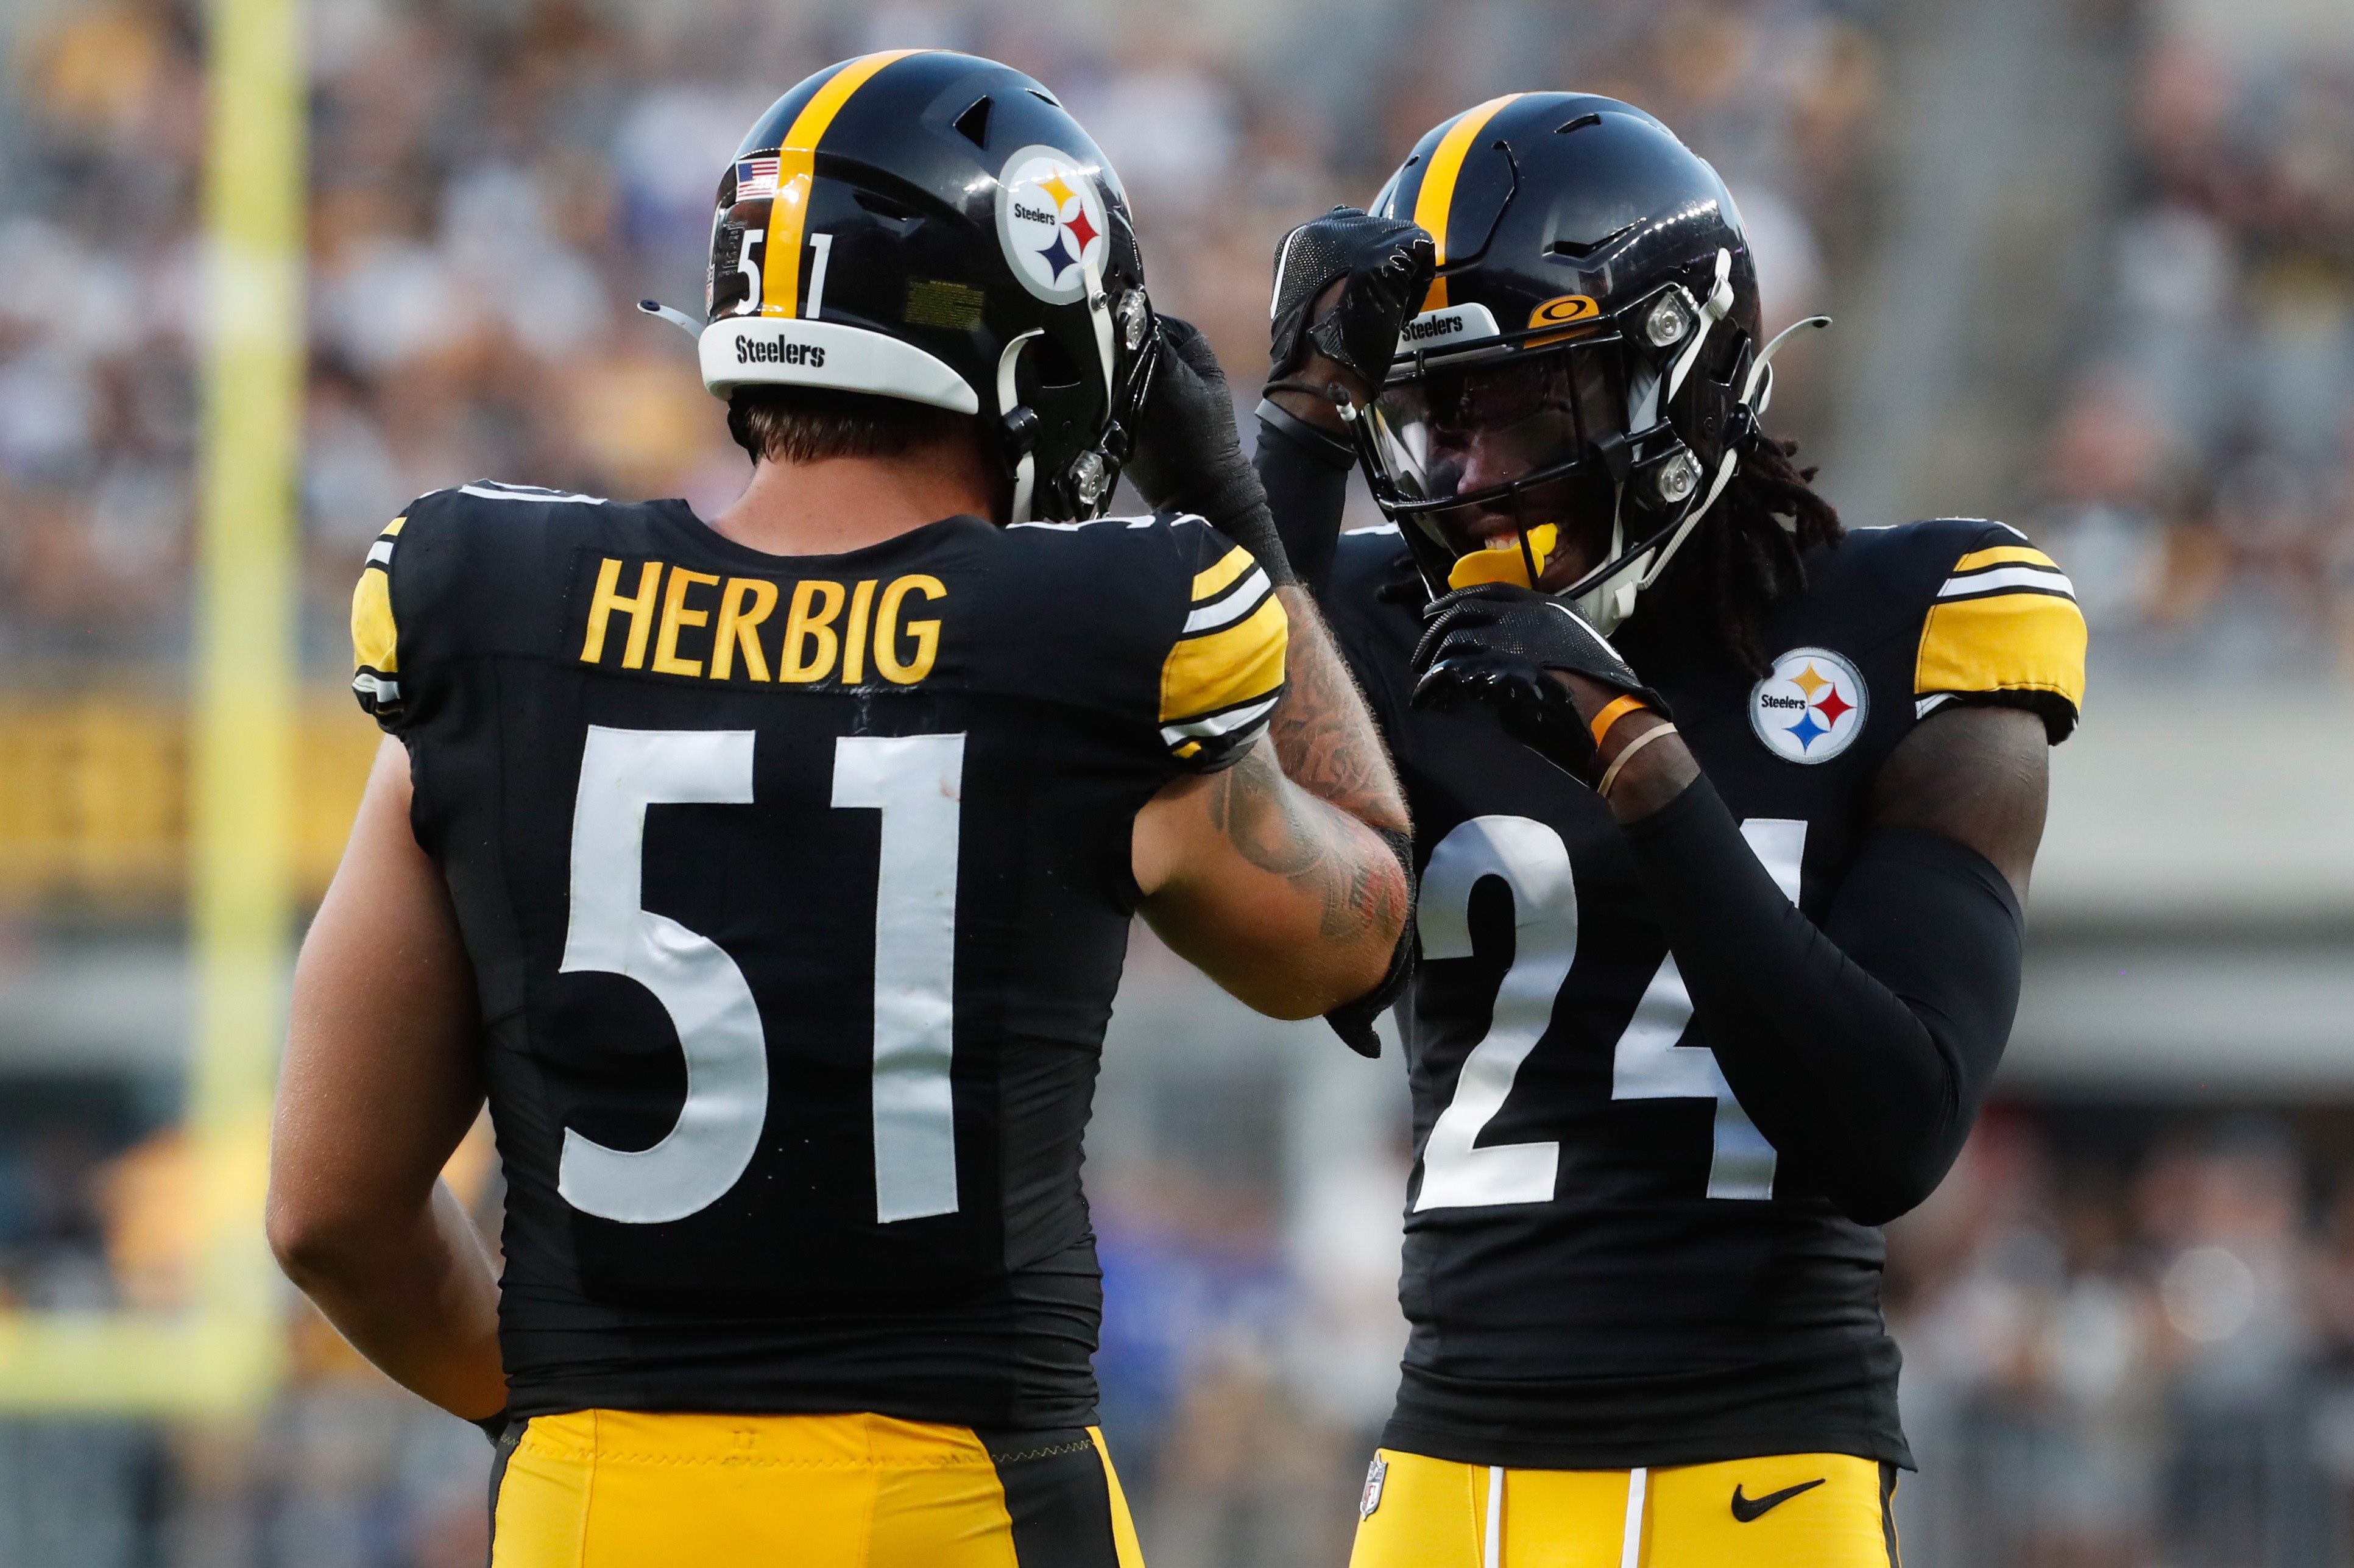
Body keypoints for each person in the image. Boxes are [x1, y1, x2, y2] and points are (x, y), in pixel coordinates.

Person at [264, 51, 1411, 1568]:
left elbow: (329, 1213)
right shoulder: (1089, 642)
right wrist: (1243, 505)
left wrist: (561, 1408)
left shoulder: (495, 619)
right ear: (1046, 365)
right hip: (953, 1507)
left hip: (595, 1512)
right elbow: (1354, 933)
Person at [1252, 94, 2087, 1566]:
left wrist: (1628, 746)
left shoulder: (1916, 618)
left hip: (1764, 1478)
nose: (1465, 474)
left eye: (1520, 405)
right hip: (1448, 1477)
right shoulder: (1390, 621)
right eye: (1436, 418)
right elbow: (1195, 811)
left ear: (1676, 371)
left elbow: (1892, 1128)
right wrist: (1304, 436)